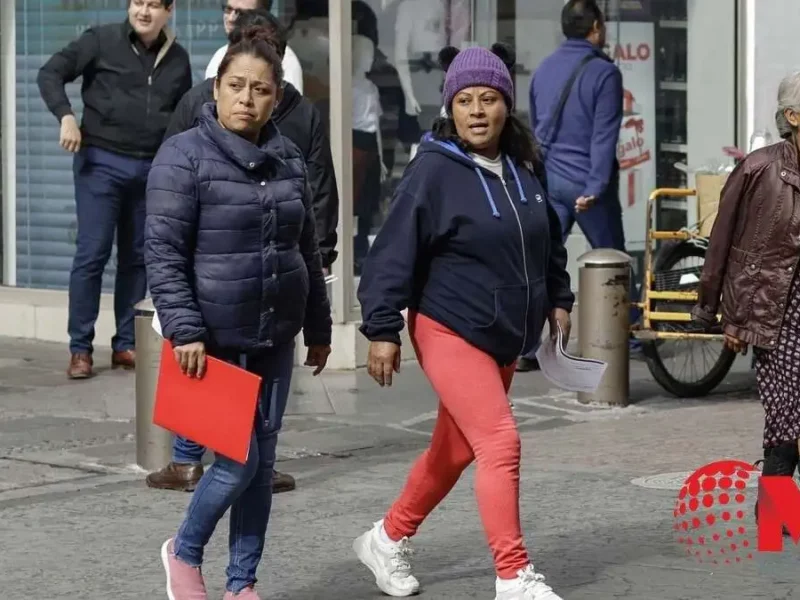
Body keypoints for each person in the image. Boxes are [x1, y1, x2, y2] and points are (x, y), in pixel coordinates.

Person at [353, 44, 572, 600]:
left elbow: (546, 238)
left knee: (454, 450)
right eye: (465, 100)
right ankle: (513, 574)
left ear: (506, 106)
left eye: (489, 99)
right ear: (450, 108)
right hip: (448, 325)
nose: (477, 110)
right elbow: (392, 252)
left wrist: (559, 296)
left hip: (502, 333)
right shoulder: (434, 170)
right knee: (501, 443)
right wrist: (382, 328)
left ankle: (387, 536)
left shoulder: (524, 166)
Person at [146, 26, 332, 599]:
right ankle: (184, 550)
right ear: (216, 89)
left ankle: (242, 584)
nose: (246, 98)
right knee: (238, 462)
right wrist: (184, 328)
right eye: (236, 86)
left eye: (260, 89)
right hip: (212, 337)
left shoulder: (287, 155)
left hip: (275, 331)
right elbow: (162, 249)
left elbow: (305, 247)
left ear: (277, 96)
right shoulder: (184, 156)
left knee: (261, 463)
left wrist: (319, 325)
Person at [36, 0, 192, 379]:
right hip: (101, 163)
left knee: (138, 257)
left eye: (154, 5)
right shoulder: (101, 41)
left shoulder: (179, 60)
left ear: (169, 11)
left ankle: (126, 343)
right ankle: (80, 348)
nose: (144, 11)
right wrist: (66, 116)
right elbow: (50, 73)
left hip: (150, 169)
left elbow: (182, 117)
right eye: (138, 2)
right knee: (92, 253)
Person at [694, 71, 800, 516]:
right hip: (772, 314)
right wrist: (718, 313)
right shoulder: (759, 168)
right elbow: (724, 244)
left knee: (788, 416)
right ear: (794, 116)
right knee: (786, 412)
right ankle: (776, 514)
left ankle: (774, 515)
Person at [519, 0, 628, 372]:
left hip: (550, 180)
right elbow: (604, 135)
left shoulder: (545, 68)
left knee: (544, 262)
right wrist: (595, 185)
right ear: (596, 27)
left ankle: (528, 346)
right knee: (613, 259)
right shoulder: (603, 73)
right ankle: (623, 335)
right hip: (587, 184)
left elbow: (535, 126)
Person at [209, 0, 303, 93]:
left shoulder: (285, 61)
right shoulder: (219, 55)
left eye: (242, 13)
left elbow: (292, 106)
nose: (231, 18)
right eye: (228, 9)